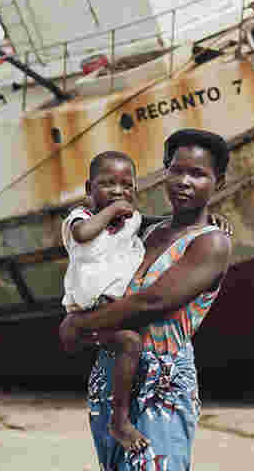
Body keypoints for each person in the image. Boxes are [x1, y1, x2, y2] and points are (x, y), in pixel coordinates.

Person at [59, 128, 234, 470]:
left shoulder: (211, 243)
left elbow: (151, 302)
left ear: (219, 182)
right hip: (113, 373)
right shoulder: (147, 232)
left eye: (198, 174)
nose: (184, 181)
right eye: (176, 171)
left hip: (161, 382)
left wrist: (77, 325)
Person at [61, 150, 149, 452]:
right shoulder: (80, 217)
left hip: (114, 310)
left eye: (126, 185)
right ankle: (119, 421)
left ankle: (121, 415)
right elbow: (84, 235)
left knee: (132, 342)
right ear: (89, 189)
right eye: (107, 184)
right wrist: (112, 211)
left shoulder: (132, 221)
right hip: (89, 309)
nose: (118, 191)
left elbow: (161, 224)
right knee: (130, 343)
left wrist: (201, 221)